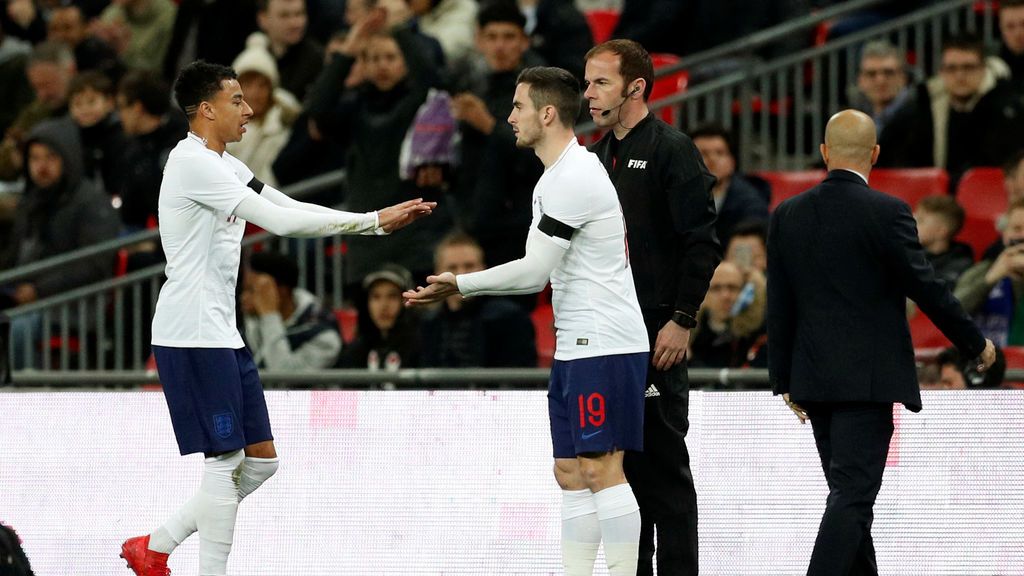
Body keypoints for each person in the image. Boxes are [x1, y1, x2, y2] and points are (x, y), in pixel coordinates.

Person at [118, 60, 433, 576]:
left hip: (220, 331)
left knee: (261, 461)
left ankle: (155, 544)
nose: (249, 109)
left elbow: (283, 201)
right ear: (206, 110)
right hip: (191, 332)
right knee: (223, 464)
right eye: (237, 100)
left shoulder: (223, 163)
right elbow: (281, 222)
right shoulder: (191, 163)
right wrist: (372, 223)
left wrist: (371, 222)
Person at [405, 66, 649, 576]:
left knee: (602, 468)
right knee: (570, 471)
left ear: (547, 113)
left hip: (602, 340)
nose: (508, 117)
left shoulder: (575, 177)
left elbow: (534, 273)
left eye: (517, 107)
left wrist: (461, 283)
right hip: (575, 344)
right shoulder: (555, 176)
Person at [767, 109, 996, 576]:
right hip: (867, 382)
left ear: (824, 153)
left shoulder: (787, 213)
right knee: (852, 495)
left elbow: (780, 299)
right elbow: (927, 287)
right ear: (874, 154)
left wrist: (783, 377)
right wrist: (976, 344)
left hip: (812, 378)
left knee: (850, 499)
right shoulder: (889, 212)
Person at [584, 39, 720, 576]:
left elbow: (702, 241)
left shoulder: (671, 148)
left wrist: (681, 319)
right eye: (587, 82)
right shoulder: (593, 158)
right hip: (606, 340)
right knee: (620, 476)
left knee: (665, 474)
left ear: (636, 87)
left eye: (600, 83)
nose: (588, 94)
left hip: (654, 335)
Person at [419, 232, 537, 368]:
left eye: (469, 266)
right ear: (437, 273)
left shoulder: (508, 317)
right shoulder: (428, 323)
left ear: (483, 269)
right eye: (452, 268)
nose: (461, 274)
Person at [241, 250, 342, 370]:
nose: (243, 298)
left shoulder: (324, 335)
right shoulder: (248, 320)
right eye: (244, 290)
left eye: (252, 290)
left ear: (281, 291)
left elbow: (284, 377)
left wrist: (269, 316)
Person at [954, 199, 1024, 347]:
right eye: (1017, 229)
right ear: (1004, 233)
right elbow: (952, 313)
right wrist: (990, 279)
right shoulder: (980, 270)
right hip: (984, 360)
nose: (1022, 236)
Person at [691, 123, 768, 246]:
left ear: (732, 161)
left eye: (720, 153)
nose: (712, 160)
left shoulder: (750, 202)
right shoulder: (671, 196)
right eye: (703, 154)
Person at [341, 263, 421, 372]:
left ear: (406, 301)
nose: (383, 306)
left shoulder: (423, 347)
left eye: (392, 296)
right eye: (376, 297)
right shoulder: (355, 352)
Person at [913, 195, 973, 290]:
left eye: (920, 221)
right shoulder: (911, 251)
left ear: (941, 231)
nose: (911, 224)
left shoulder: (959, 264)